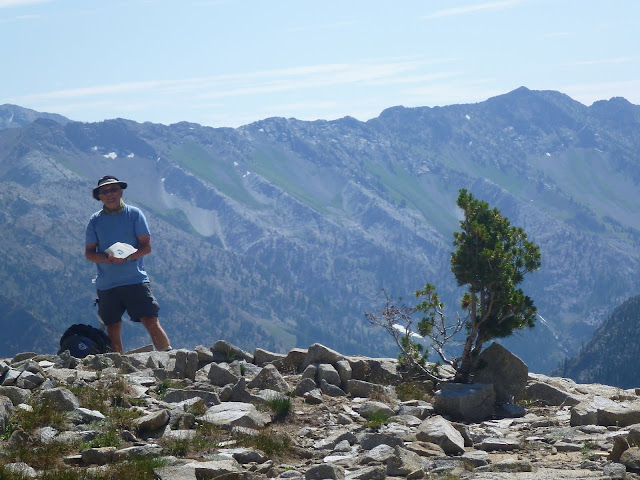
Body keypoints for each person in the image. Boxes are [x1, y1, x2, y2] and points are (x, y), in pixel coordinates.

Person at [85, 175, 171, 353]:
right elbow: (90, 253)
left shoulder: (134, 214)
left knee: (150, 320)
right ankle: (118, 366)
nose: (110, 194)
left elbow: (146, 247)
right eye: (105, 191)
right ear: (99, 196)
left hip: (135, 279)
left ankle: (170, 359)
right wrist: (106, 258)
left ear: (121, 191)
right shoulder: (95, 220)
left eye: (113, 190)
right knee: (112, 327)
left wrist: (127, 258)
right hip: (107, 284)